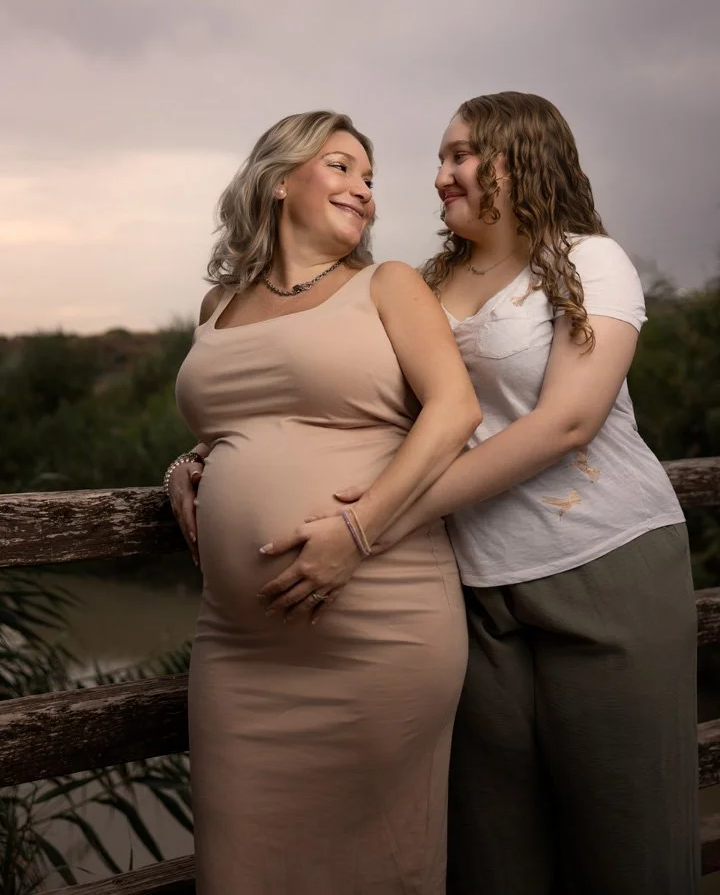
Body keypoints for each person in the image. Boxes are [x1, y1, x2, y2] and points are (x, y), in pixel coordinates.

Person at [172, 92, 698, 894]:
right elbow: (335, 396)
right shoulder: (426, 282)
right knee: (496, 846)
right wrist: (204, 462)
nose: (439, 176)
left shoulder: (590, 259)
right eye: (441, 159)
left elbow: (566, 423)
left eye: (460, 156)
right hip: (477, 577)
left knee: (626, 829)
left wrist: (368, 526)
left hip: (601, 558)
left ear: (519, 158)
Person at [170, 109, 482, 895]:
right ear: (280, 181)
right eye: (341, 166)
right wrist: (188, 463)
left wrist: (358, 529)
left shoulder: (388, 285)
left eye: (370, 178)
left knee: (381, 869)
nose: (364, 189)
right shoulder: (216, 306)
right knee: (238, 872)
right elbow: (232, 423)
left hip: (381, 625)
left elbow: (454, 412)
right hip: (240, 651)